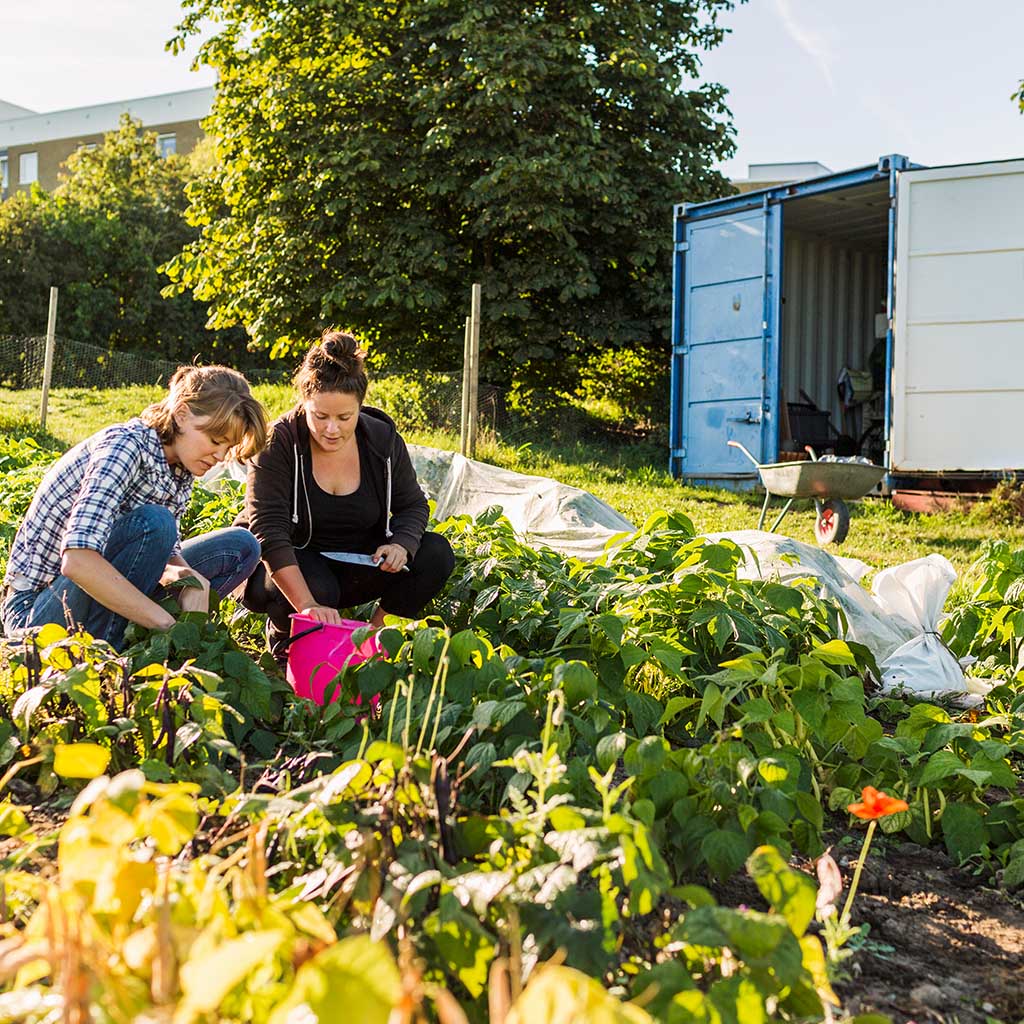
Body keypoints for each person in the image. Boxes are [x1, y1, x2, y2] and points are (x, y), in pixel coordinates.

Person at [1, 366, 268, 648]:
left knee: (242, 546)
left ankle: (140, 639)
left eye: (228, 447)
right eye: (215, 441)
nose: (220, 456)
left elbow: (165, 551)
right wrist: (163, 622)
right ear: (182, 414)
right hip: (39, 612)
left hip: (101, 589)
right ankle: (115, 650)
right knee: (155, 522)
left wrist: (187, 577)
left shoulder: (180, 466)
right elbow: (77, 561)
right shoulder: (124, 447)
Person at [239, 330, 455, 660]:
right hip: (289, 564)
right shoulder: (279, 443)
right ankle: (286, 638)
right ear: (304, 404)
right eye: (320, 416)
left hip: (354, 561)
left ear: (360, 407)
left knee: (435, 553)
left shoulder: (381, 440)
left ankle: (369, 646)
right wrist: (309, 605)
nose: (332, 429)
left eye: (345, 417)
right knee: (319, 590)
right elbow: (268, 532)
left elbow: (412, 505)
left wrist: (401, 545)